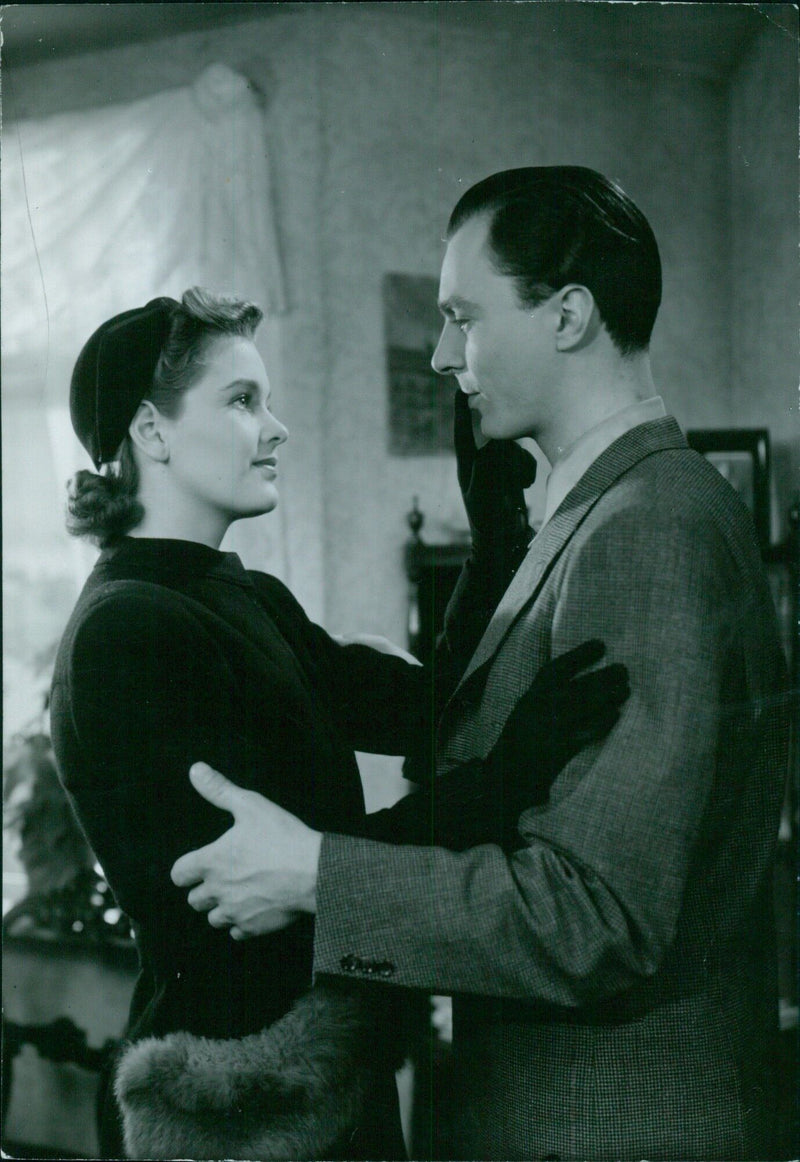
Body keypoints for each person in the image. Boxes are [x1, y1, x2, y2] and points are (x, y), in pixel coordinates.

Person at [171, 168, 791, 1161]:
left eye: (463, 316)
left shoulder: (646, 528)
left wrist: (318, 876)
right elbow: (479, 741)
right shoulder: (598, 511)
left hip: (604, 1124)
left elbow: (600, 916)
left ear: (567, 315)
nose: (440, 354)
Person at [49, 286, 628, 1160]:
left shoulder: (238, 593)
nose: (277, 428)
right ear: (150, 431)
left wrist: (495, 533)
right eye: (243, 401)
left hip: (326, 1076)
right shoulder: (126, 631)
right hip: (235, 1108)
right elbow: (283, 889)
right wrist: (511, 773)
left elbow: (432, 708)